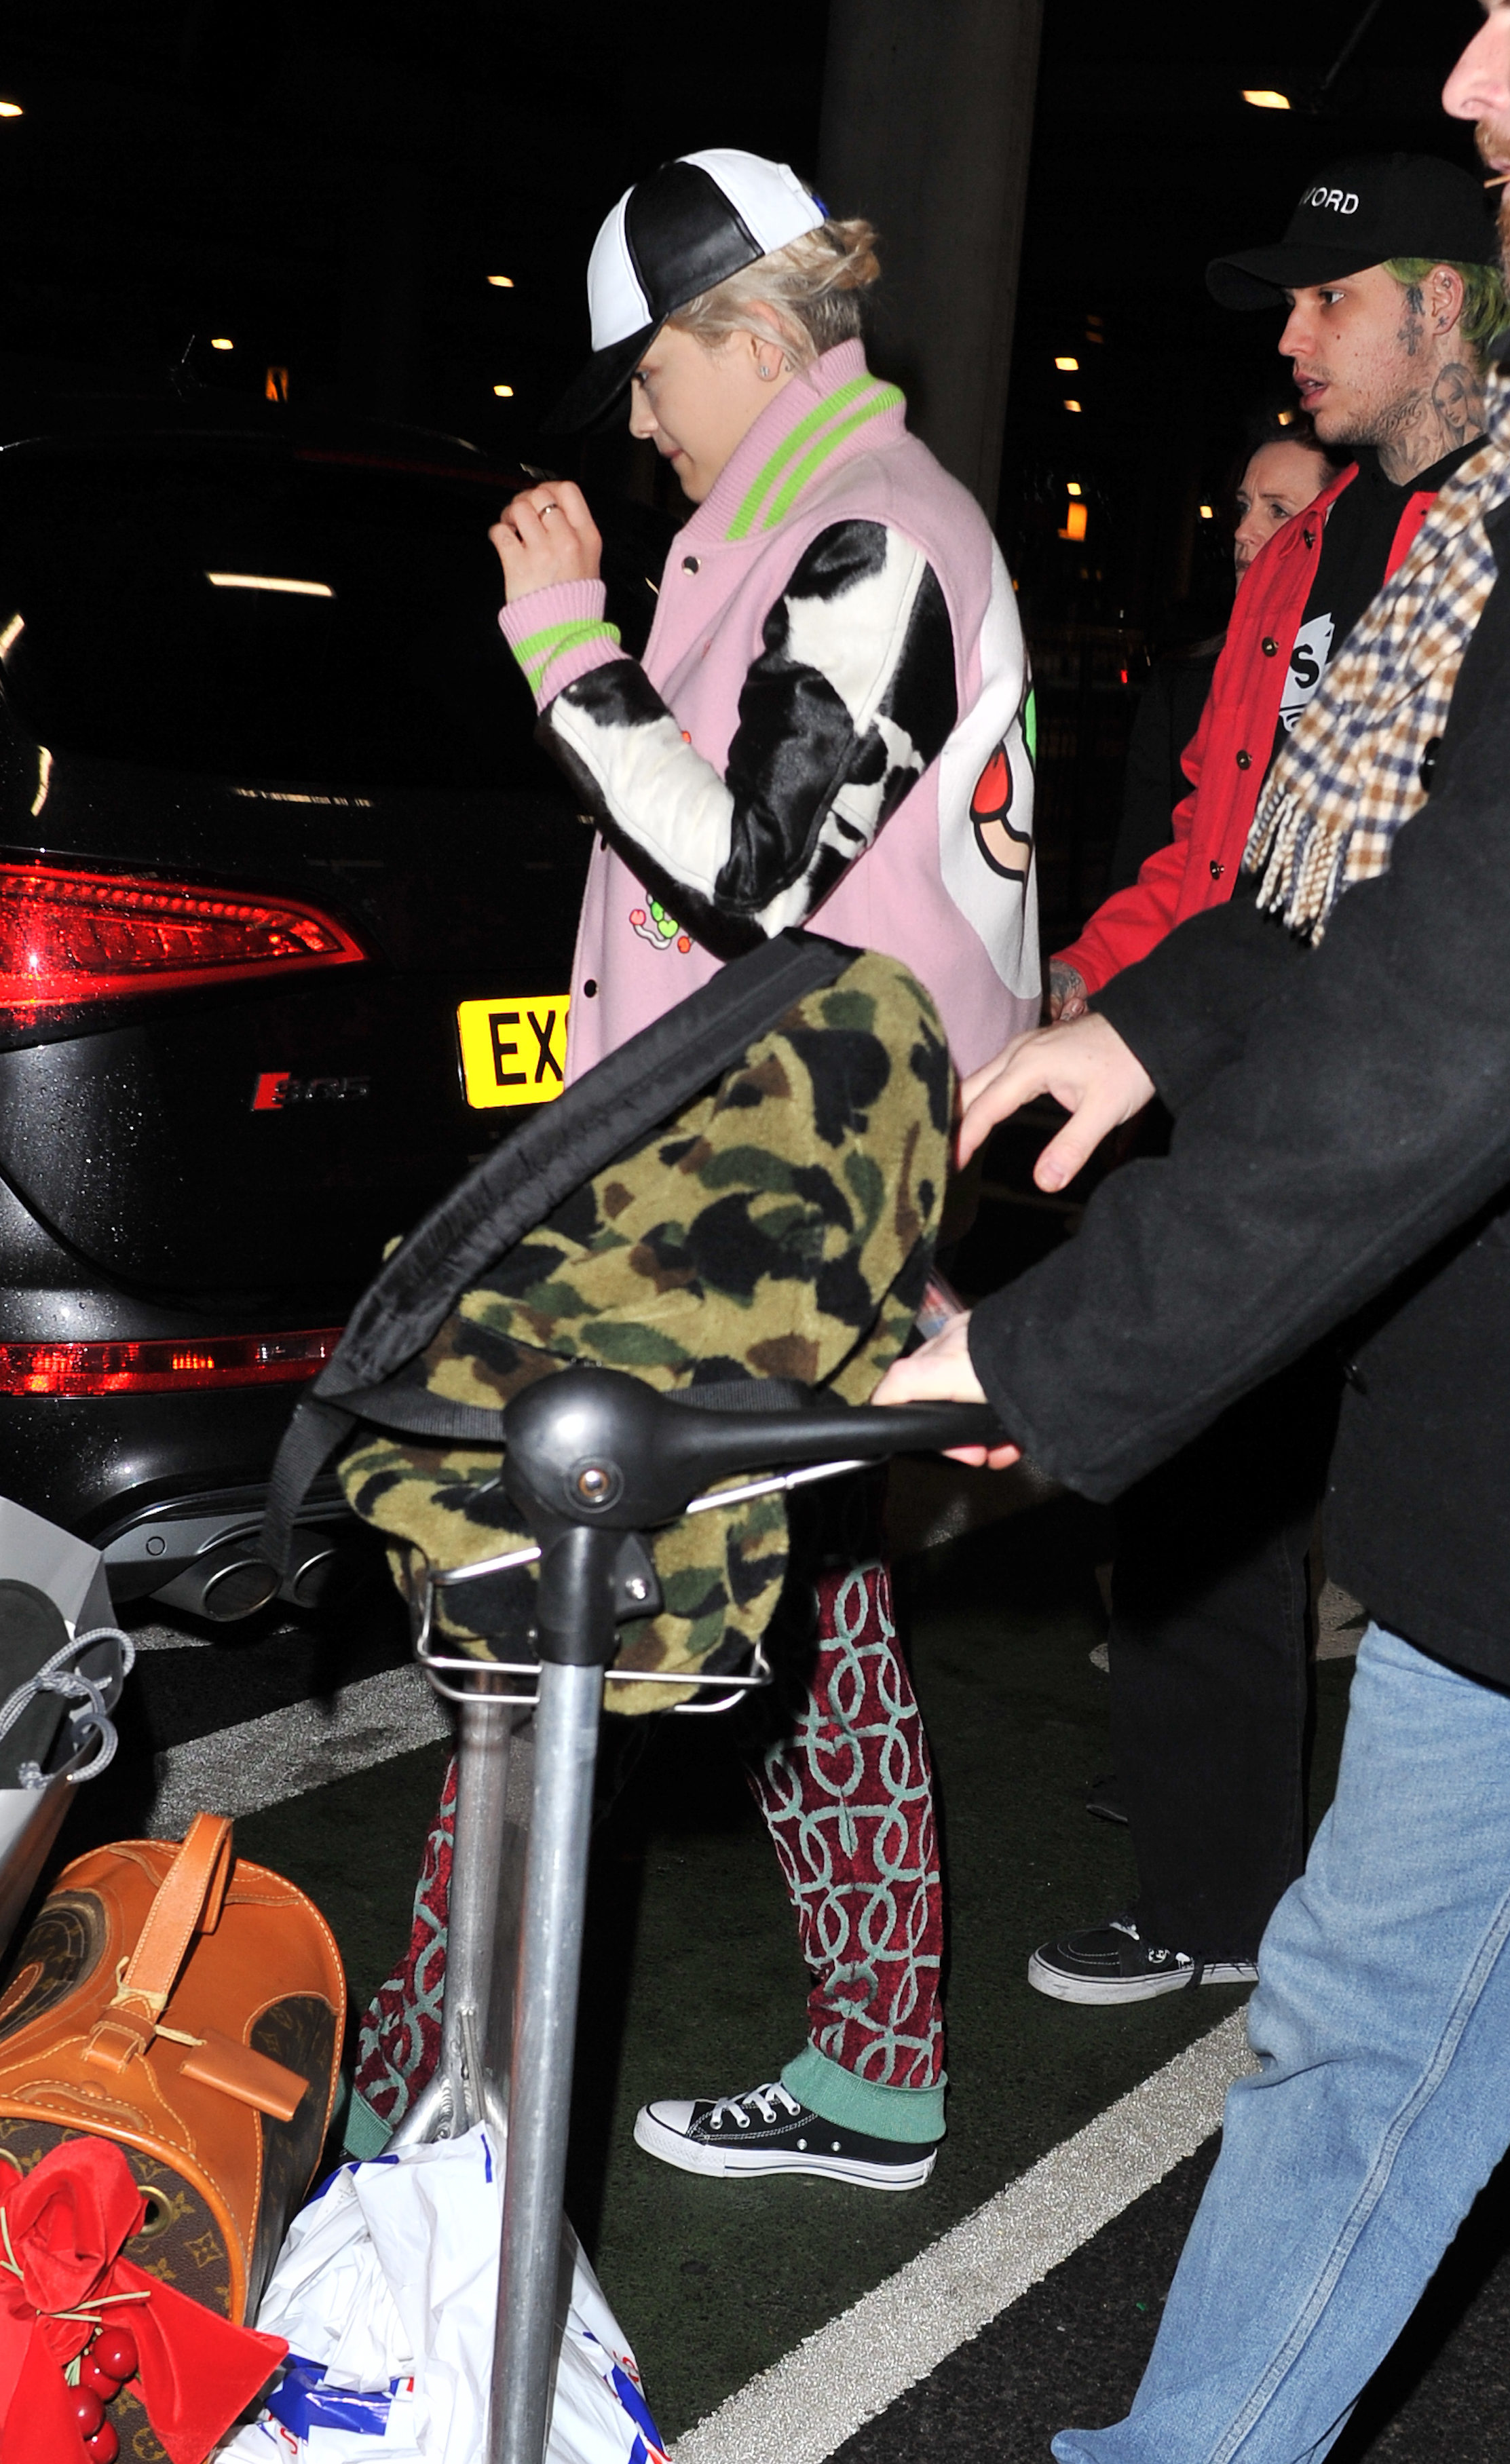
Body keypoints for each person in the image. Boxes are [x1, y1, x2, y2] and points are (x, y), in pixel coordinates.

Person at [710, 0, 1510, 2464]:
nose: (1472, 69)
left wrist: (1057, 1348)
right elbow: (1455, 881)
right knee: (1346, 2069)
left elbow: (1491, 983)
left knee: (1356, 2064)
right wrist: (1154, 1018)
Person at [360, 149, 1040, 2193]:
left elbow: (753, 864)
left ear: (743, 335)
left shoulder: (875, 532)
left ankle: (420, 2103)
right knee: (802, 1596)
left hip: (755, 1196)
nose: (639, 426)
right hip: (754, 1181)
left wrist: (561, 640)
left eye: (648, 378)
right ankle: (875, 2064)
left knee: (550, 1602)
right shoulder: (810, 526)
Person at [1025, 155, 1510, 2010]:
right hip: (1255, 1082)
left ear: (1442, 302)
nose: (1292, 336)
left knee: (1447, 1535)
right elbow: (1217, 840)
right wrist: (1088, 984)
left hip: (1448, 1107)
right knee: (1198, 1478)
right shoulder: (1308, 550)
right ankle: (1217, 1894)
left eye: (1329, 296)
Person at [1074, 413, 1337, 964]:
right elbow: (1144, 865)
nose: (1243, 531)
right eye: (1244, 506)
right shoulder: (1185, 685)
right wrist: (1094, 970)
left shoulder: (1369, 677)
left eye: (1278, 511)